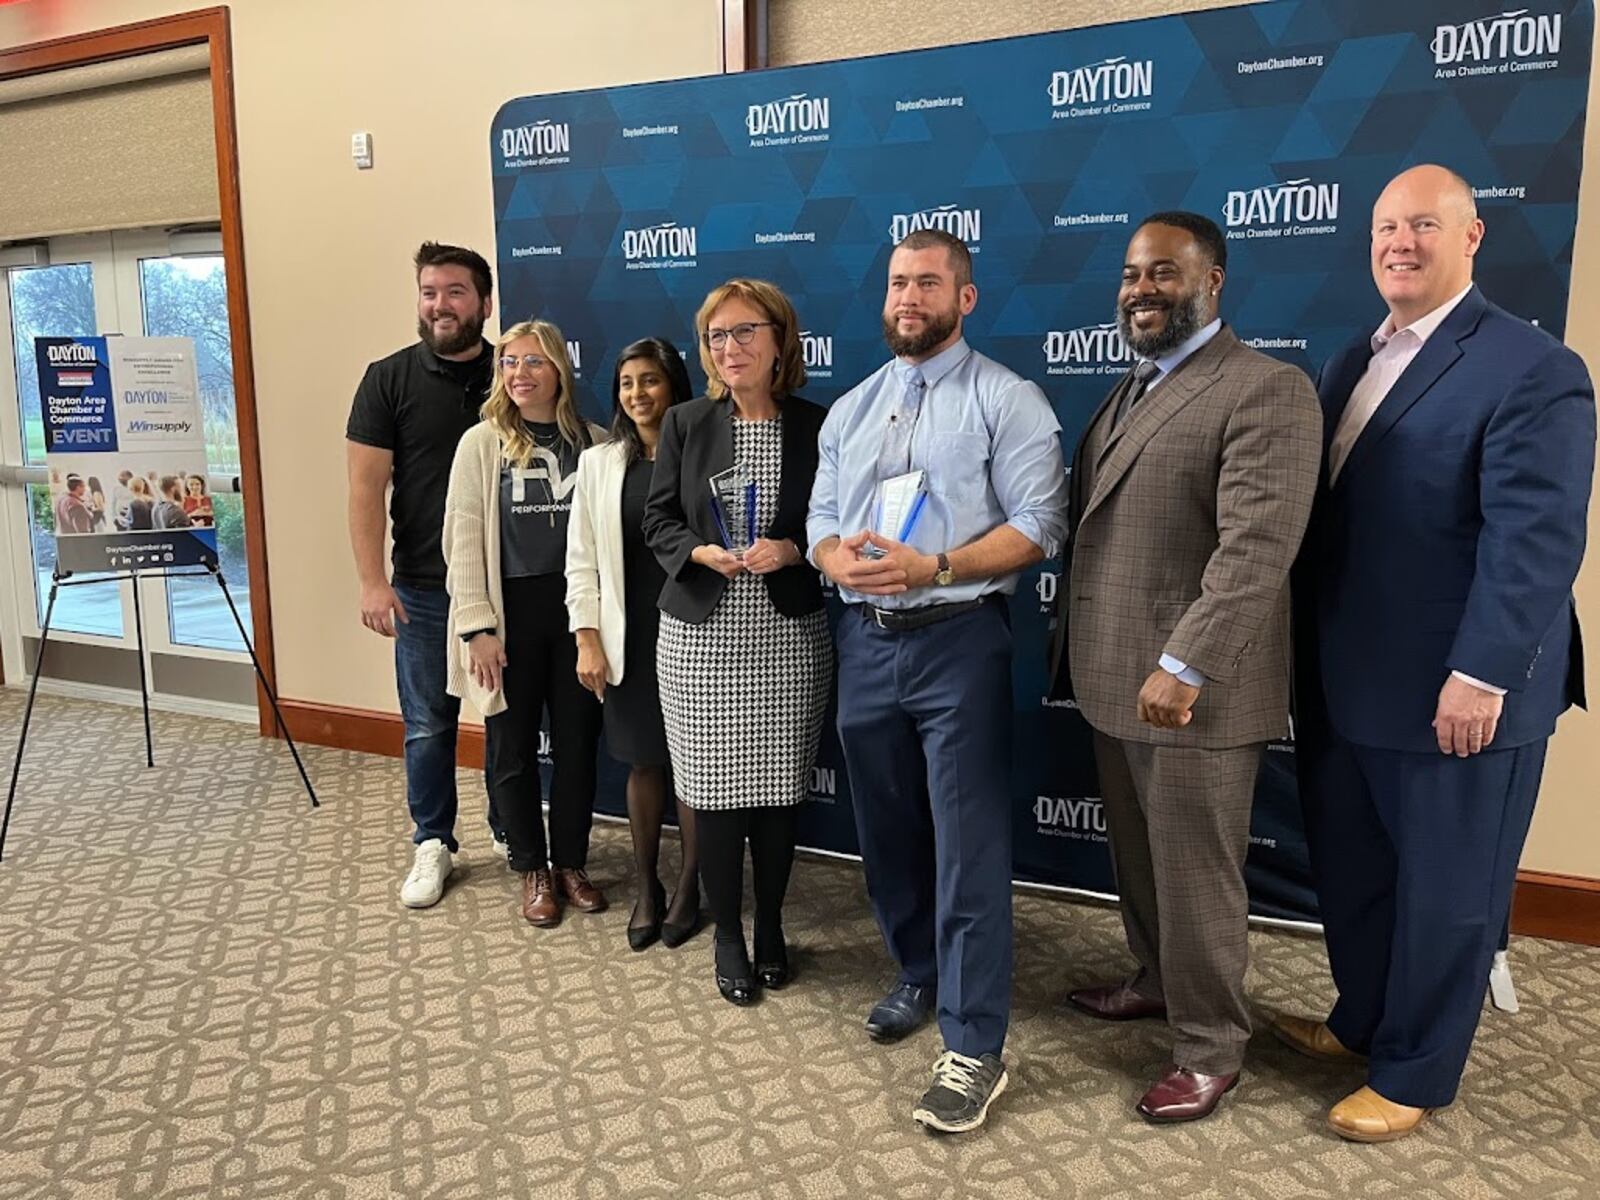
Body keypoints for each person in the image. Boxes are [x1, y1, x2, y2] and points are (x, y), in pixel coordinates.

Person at [1282, 164, 1594, 1142]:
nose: (1398, 243)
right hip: (1347, 680)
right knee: (1356, 874)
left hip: (1457, 691)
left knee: (1447, 895)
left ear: (1470, 239)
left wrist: (1484, 672)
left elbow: (1535, 539)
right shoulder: (1349, 362)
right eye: (1384, 227)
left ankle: (1415, 1072)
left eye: (1423, 224)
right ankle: (1365, 1021)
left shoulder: (1529, 368)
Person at [1047, 212, 1321, 1123]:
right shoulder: (1131, 388)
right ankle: (1160, 979)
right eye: (1131, 275)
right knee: (1140, 861)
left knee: (1198, 874)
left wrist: (1186, 663)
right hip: (1114, 678)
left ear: (1215, 282)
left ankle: (1211, 1047)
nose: (1141, 290)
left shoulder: (1264, 388)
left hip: (1192, 691)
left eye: (1163, 274)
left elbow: (1256, 548)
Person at [807, 229, 1068, 1134]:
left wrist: (936, 567)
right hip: (867, 641)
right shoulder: (851, 408)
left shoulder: (1008, 400)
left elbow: (1039, 524)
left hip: (960, 635)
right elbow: (820, 523)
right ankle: (917, 969)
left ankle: (973, 1043)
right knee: (886, 830)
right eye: (896, 283)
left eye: (927, 282)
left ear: (966, 298)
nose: (907, 297)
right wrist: (839, 559)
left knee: (968, 843)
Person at [643, 279, 830, 1007]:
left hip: (787, 635)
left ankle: (774, 927)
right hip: (700, 637)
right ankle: (728, 934)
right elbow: (658, 520)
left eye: (746, 332)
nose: (730, 349)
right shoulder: (686, 422)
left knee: (780, 794)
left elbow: (842, 518)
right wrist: (698, 552)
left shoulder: (819, 424)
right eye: (717, 337)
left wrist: (795, 547)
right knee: (715, 799)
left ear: (780, 339)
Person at [346, 241, 499, 908]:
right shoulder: (387, 378)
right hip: (421, 588)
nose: (440, 304)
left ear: (484, 303)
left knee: (510, 721)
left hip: (503, 587)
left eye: (455, 292)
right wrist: (371, 582)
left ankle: (512, 831)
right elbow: (363, 487)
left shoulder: (514, 373)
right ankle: (432, 841)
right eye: (429, 291)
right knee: (429, 726)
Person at [442, 320, 608, 926]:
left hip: (576, 616)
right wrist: (476, 627)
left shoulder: (594, 441)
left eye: (534, 362)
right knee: (510, 750)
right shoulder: (481, 443)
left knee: (577, 745)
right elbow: (460, 541)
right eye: (509, 361)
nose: (519, 373)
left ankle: (570, 862)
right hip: (507, 619)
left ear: (559, 370)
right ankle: (531, 865)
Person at [567, 337, 701, 950]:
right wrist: (587, 638)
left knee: (699, 770)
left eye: (650, 380)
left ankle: (690, 888)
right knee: (645, 763)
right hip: (629, 634)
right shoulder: (599, 463)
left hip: (699, 634)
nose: (637, 394)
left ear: (674, 385)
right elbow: (582, 562)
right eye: (626, 383)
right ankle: (648, 886)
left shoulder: (703, 452)